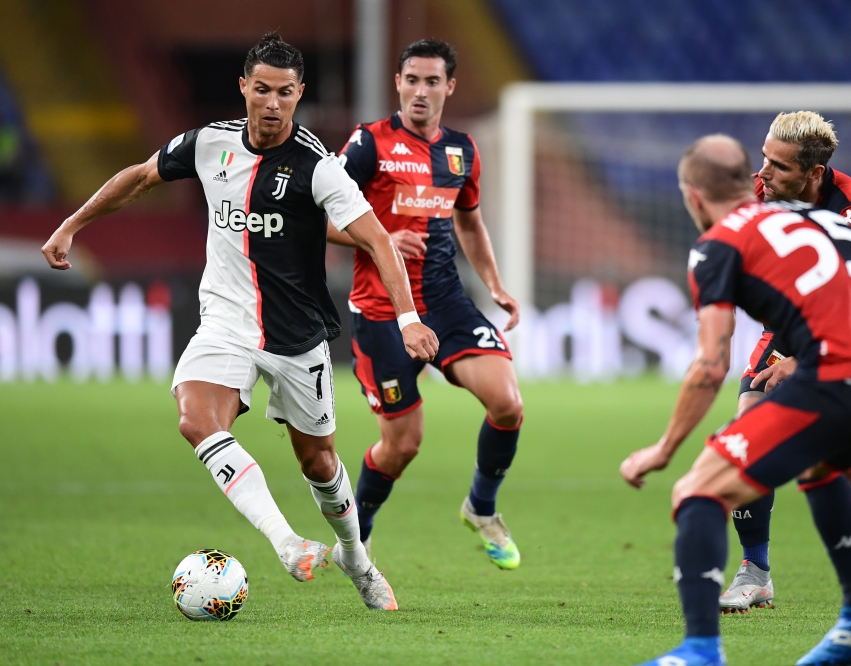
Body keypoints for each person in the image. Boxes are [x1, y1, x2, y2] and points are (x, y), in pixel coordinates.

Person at [40, 33, 439, 611]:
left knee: (319, 461)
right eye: (262, 90)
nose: (272, 103)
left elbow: (377, 239)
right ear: (243, 88)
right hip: (224, 322)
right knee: (195, 419)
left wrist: (407, 320)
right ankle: (285, 542)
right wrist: (71, 225)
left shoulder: (317, 166)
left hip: (296, 335)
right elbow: (141, 176)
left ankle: (356, 557)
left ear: (299, 93)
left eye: (285, 92)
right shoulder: (209, 143)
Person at [620, 135, 851, 666]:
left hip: (839, 380)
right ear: (750, 180)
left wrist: (663, 447)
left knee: (697, 492)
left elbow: (711, 364)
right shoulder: (827, 220)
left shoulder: (718, 244)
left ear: (692, 197)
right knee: (820, 463)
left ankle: (700, 650)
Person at [326, 39, 524, 569]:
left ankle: (481, 507)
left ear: (448, 86)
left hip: (445, 302)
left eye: (432, 81)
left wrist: (495, 284)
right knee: (402, 446)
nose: (420, 90)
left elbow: (470, 222)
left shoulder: (462, 150)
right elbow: (319, 218)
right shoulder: (369, 143)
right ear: (397, 82)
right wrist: (381, 237)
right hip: (383, 311)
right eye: (411, 79)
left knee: (508, 403)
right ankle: (357, 537)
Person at [721, 111, 851, 615]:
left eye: (778, 166)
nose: (763, 173)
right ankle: (754, 571)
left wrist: (804, 362)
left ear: (814, 174)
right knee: (747, 439)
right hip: (789, 329)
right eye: (764, 158)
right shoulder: (757, 195)